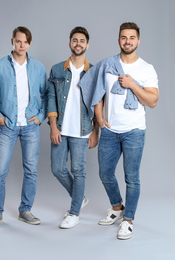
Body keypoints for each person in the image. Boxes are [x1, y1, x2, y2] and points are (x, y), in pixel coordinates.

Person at [79, 22, 159, 239]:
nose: (128, 41)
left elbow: (152, 101)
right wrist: (98, 121)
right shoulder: (107, 65)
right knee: (105, 173)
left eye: (132, 37)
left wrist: (133, 85)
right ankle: (117, 207)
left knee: (132, 178)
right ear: (118, 40)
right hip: (110, 131)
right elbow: (98, 94)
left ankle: (128, 220)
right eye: (124, 37)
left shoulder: (146, 69)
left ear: (138, 41)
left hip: (134, 130)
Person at [0, 26, 47, 228]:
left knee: (31, 170)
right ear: (12, 41)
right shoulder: (0, 65)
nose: (21, 45)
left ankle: (25, 210)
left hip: (30, 126)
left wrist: (40, 117)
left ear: (30, 44)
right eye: (18, 41)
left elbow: (46, 95)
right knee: (0, 169)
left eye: (25, 42)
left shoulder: (38, 67)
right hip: (7, 126)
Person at [47, 26, 99, 229]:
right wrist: (52, 125)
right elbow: (51, 97)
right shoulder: (57, 69)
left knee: (79, 171)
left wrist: (96, 131)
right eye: (75, 40)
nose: (78, 44)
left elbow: (98, 103)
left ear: (87, 45)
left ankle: (75, 212)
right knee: (57, 168)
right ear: (70, 43)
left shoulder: (94, 72)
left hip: (82, 130)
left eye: (82, 41)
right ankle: (80, 197)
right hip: (60, 127)